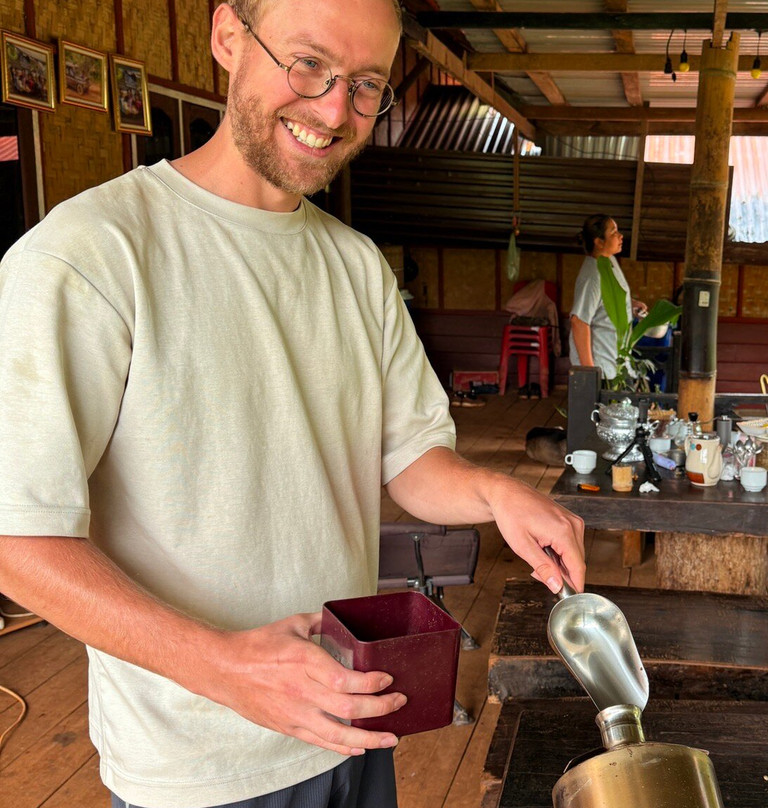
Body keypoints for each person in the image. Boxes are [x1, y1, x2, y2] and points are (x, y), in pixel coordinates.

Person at [0, 1, 585, 806]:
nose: (335, 109)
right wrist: (226, 669)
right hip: (201, 763)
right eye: (309, 64)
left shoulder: (355, 266)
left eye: (368, 83)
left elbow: (410, 457)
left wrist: (496, 491)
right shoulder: (89, 257)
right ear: (229, 38)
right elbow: (17, 539)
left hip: (350, 716)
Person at [568, 214, 648, 381]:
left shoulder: (609, 262)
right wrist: (590, 372)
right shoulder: (593, 275)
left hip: (616, 364)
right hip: (602, 368)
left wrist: (630, 304)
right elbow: (579, 322)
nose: (620, 236)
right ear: (599, 242)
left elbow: (608, 298)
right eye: (613, 233)